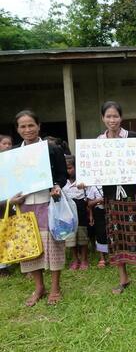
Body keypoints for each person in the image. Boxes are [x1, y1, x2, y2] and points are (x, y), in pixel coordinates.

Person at [97, 101, 136, 294]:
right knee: (116, 236)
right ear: (103, 118)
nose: (112, 120)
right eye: (108, 116)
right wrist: (84, 179)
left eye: (115, 116)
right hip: (111, 196)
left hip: (132, 194)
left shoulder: (133, 138)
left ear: (121, 118)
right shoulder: (98, 142)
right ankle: (123, 279)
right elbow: (93, 169)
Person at [13, 110, 68, 306]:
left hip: (48, 202)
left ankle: (55, 287)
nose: (27, 129)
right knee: (30, 247)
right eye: (23, 126)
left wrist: (57, 187)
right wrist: (11, 199)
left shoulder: (52, 149)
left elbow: (62, 176)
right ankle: (39, 287)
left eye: (31, 125)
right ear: (18, 129)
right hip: (24, 206)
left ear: (39, 126)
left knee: (52, 245)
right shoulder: (12, 154)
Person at [62, 155, 90, 270]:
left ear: (75, 167)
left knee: (82, 235)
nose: (68, 171)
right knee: (71, 237)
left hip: (80, 209)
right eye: (66, 168)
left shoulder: (82, 180)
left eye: (70, 168)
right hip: (67, 210)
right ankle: (75, 260)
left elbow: (88, 196)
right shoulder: (62, 182)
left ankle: (84, 259)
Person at [0, 134, 14, 277]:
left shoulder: (14, 160)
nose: (8, 146)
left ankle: (11, 260)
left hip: (11, 203)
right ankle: (2, 267)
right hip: (1, 202)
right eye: (4, 143)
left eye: (9, 144)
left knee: (11, 231)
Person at [86, 185, 107, 267]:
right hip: (98, 213)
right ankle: (102, 257)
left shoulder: (109, 185)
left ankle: (113, 256)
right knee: (100, 234)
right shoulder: (93, 187)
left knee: (111, 232)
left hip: (111, 211)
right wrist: (98, 200)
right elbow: (89, 204)